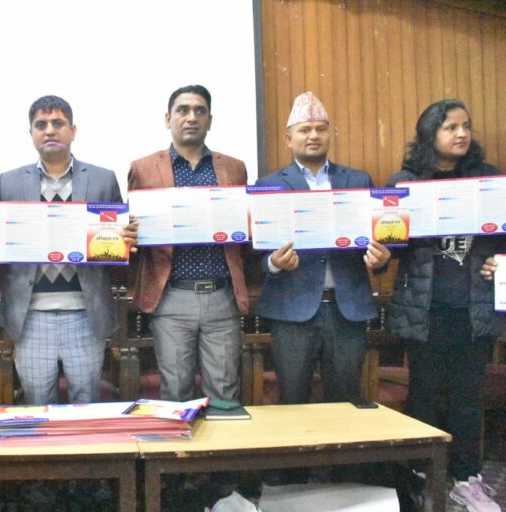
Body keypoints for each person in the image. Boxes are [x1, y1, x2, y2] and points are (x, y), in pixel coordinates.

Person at [0, 95, 136, 405]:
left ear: (73, 130)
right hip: (31, 316)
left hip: (85, 314)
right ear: (31, 133)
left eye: (58, 123)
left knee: (86, 402)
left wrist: (127, 237)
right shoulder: (9, 182)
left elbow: (118, 246)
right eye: (41, 125)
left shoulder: (102, 179)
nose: (49, 130)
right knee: (38, 403)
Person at [388, 99, 503, 512]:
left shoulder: (489, 180)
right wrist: (379, 247)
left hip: (475, 308)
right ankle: (422, 478)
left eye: (466, 126)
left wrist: (500, 260)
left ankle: (467, 479)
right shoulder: (405, 182)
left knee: (468, 397)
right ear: (430, 133)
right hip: (425, 309)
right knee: (425, 394)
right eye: (451, 127)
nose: (461, 134)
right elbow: (390, 246)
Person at [255, 92, 391, 406]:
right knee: (293, 403)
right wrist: (274, 263)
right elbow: (255, 256)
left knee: (345, 403)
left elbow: (379, 242)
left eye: (321, 129)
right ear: (289, 139)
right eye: (305, 130)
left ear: (330, 134)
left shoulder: (358, 181)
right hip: (291, 312)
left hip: (347, 310)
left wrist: (382, 259)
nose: (313, 135)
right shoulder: (268, 185)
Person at [128, 85, 250, 402]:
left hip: (222, 296)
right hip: (171, 297)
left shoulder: (234, 168)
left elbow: (244, 231)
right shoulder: (143, 168)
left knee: (224, 392)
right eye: (183, 110)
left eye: (200, 111)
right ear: (168, 119)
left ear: (210, 120)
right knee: (175, 393)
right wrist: (130, 235)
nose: (191, 117)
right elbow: (130, 236)